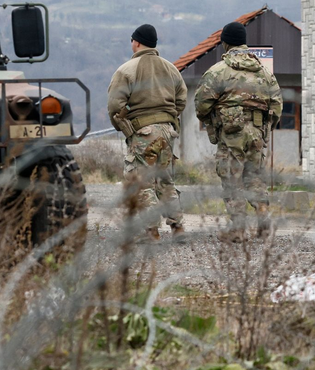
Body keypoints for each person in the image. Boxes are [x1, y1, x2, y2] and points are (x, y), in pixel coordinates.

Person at [194, 22, 282, 239]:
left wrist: (214, 119)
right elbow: (277, 105)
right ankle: (262, 218)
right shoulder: (264, 73)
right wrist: (264, 128)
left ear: (225, 43)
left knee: (232, 179)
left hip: (231, 133)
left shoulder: (218, 72)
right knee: (253, 177)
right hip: (257, 133)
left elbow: (201, 105)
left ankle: (238, 230)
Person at [107, 24, 187, 240]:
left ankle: (151, 231)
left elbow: (115, 104)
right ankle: (177, 227)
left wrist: (125, 127)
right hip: (167, 131)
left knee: (142, 181)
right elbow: (181, 99)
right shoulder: (171, 69)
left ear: (137, 42)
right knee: (165, 180)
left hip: (143, 132)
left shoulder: (126, 70)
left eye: (132, 40)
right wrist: (168, 118)